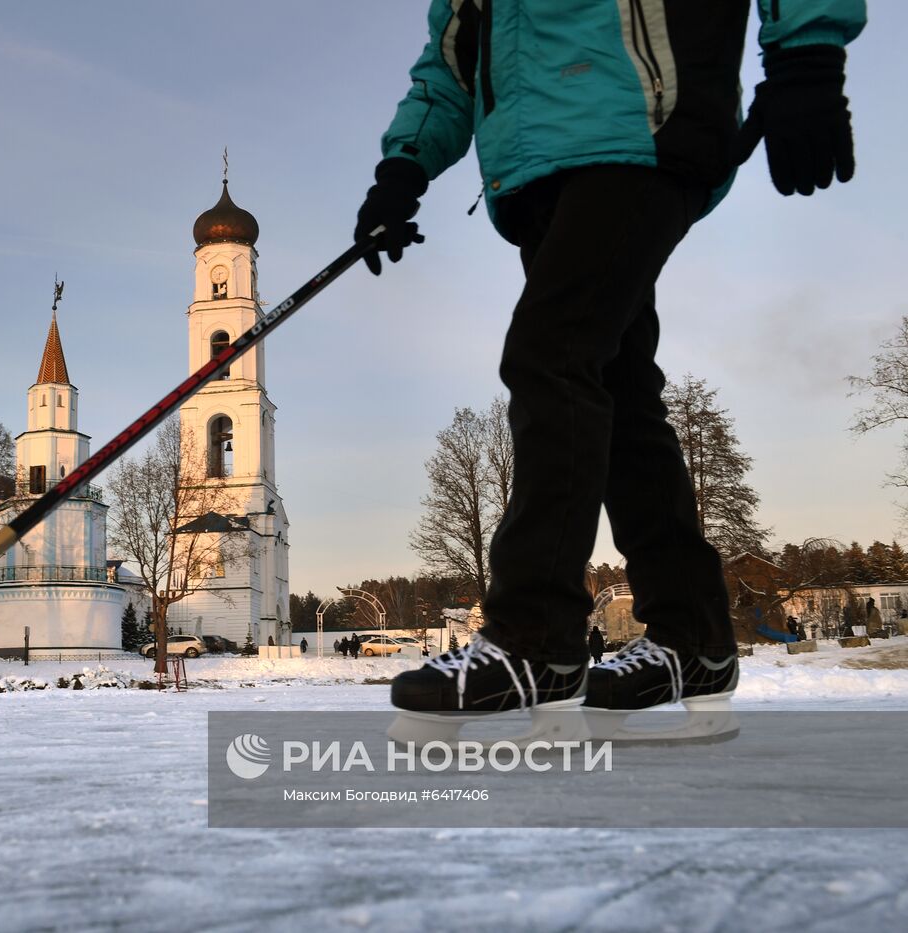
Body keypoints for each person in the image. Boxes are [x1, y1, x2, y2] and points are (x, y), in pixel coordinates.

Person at [366, 1, 864, 737]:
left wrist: (807, 53)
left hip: (644, 120)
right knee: (619, 390)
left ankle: (536, 638)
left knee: (550, 353)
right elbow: (450, 64)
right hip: (535, 167)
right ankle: (693, 637)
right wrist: (402, 167)